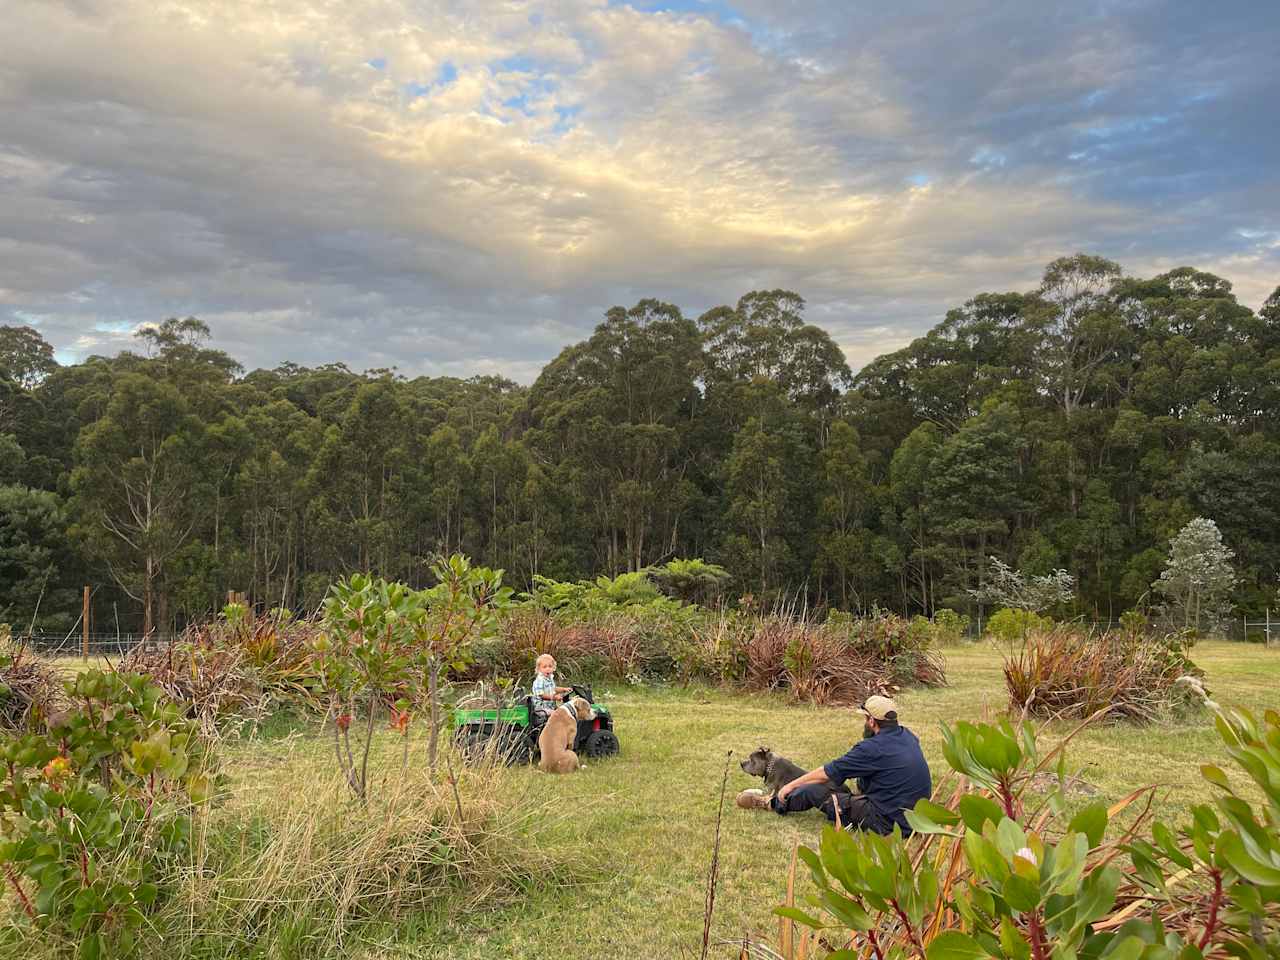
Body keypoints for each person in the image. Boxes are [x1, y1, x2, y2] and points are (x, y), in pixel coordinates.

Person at [757, 695, 932, 835]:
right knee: (839, 786)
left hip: (889, 823)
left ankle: (771, 803)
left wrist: (789, 786)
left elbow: (827, 772)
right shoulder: (908, 735)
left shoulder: (871, 748)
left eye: (865, 719)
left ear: (871, 721)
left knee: (813, 791)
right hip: (917, 819)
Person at [530, 653, 571, 718]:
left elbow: (554, 688)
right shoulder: (540, 680)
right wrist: (554, 697)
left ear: (553, 667)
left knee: (563, 711)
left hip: (550, 705)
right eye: (544, 667)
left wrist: (564, 689)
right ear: (539, 669)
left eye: (550, 666)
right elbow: (541, 695)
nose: (548, 669)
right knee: (557, 715)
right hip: (541, 708)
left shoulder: (549, 678)